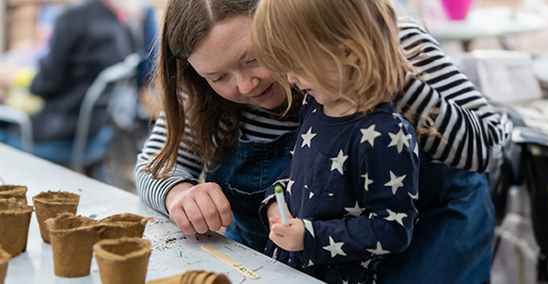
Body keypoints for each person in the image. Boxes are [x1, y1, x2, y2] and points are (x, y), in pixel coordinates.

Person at [135, 0, 504, 283]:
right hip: (296, 256)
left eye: (254, 57)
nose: (246, 85)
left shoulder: (379, 40)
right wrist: (180, 193)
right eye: (219, 76)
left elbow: (490, 149)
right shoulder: (203, 90)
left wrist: (383, 74)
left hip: (424, 243)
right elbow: (154, 165)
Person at [249, 0, 420, 282]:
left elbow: (393, 230)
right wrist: (273, 202)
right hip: (285, 267)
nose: (290, 77)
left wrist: (310, 238)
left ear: (348, 51)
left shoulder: (386, 135)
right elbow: (297, 172)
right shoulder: (313, 104)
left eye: (296, 64)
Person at [0, 0, 158, 174]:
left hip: (62, 133)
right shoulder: (121, 20)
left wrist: (14, 78)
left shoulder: (73, 17)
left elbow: (45, 84)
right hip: (97, 133)